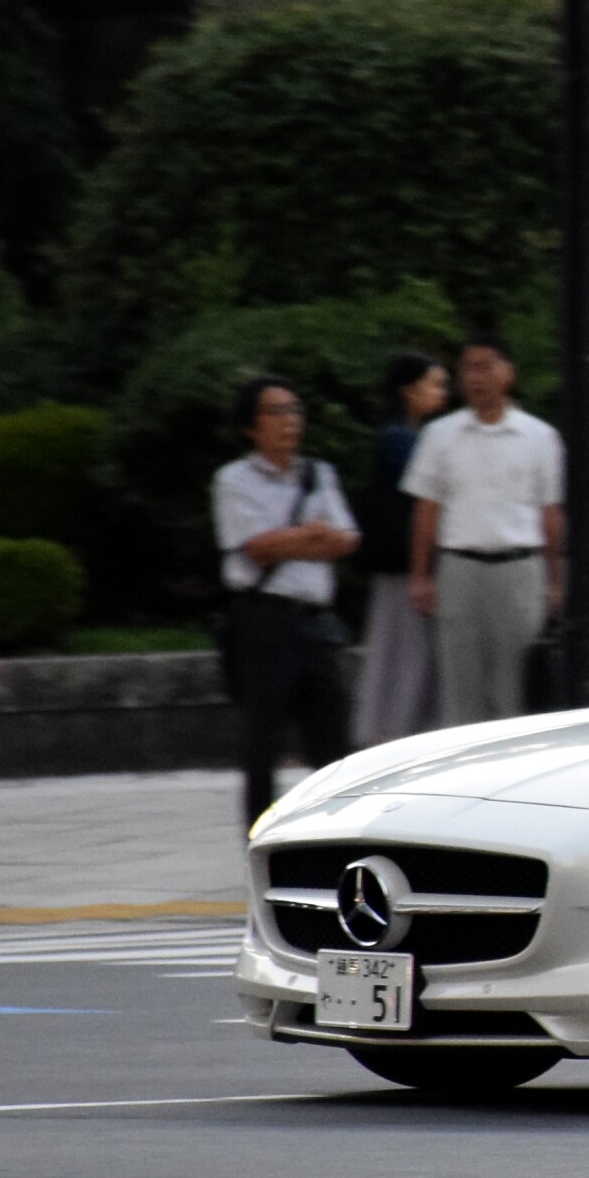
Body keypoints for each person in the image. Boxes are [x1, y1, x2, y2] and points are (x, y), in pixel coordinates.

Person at [212, 377, 360, 827]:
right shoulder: (234, 481)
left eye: (294, 410)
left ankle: (339, 836)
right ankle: (260, 842)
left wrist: (295, 539)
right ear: (250, 426)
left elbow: (347, 539)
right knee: (262, 744)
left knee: (332, 745)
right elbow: (256, 548)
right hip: (265, 620)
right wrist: (312, 534)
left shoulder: (319, 473)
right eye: (276, 412)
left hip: (316, 622)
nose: (289, 421)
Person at [404, 334, 565, 727]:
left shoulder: (539, 436)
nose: (476, 377)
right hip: (460, 568)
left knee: (515, 690)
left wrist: (554, 577)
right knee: (460, 690)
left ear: (508, 372)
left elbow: (550, 512)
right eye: (468, 368)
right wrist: (421, 575)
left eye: (486, 366)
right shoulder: (440, 435)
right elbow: (426, 508)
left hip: (519, 568)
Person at [352, 352, 448, 746]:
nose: (442, 393)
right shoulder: (399, 442)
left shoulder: (409, 438)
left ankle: (396, 729)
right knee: (405, 656)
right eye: (434, 384)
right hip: (405, 568)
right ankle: (393, 733)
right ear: (409, 391)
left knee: (407, 656)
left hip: (409, 566)